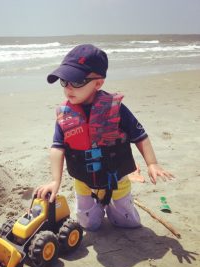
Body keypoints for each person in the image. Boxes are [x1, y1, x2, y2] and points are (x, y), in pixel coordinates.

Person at [35, 44, 174, 231]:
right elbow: (57, 148)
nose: (68, 87)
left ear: (98, 83)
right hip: (84, 182)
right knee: (89, 226)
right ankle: (96, 207)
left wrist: (152, 163)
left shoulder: (116, 109)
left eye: (76, 82)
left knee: (127, 223)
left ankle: (118, 206)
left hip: (115, 179)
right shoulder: (65, 115)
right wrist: (55, 180)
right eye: (64, 81)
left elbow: (140, 135)